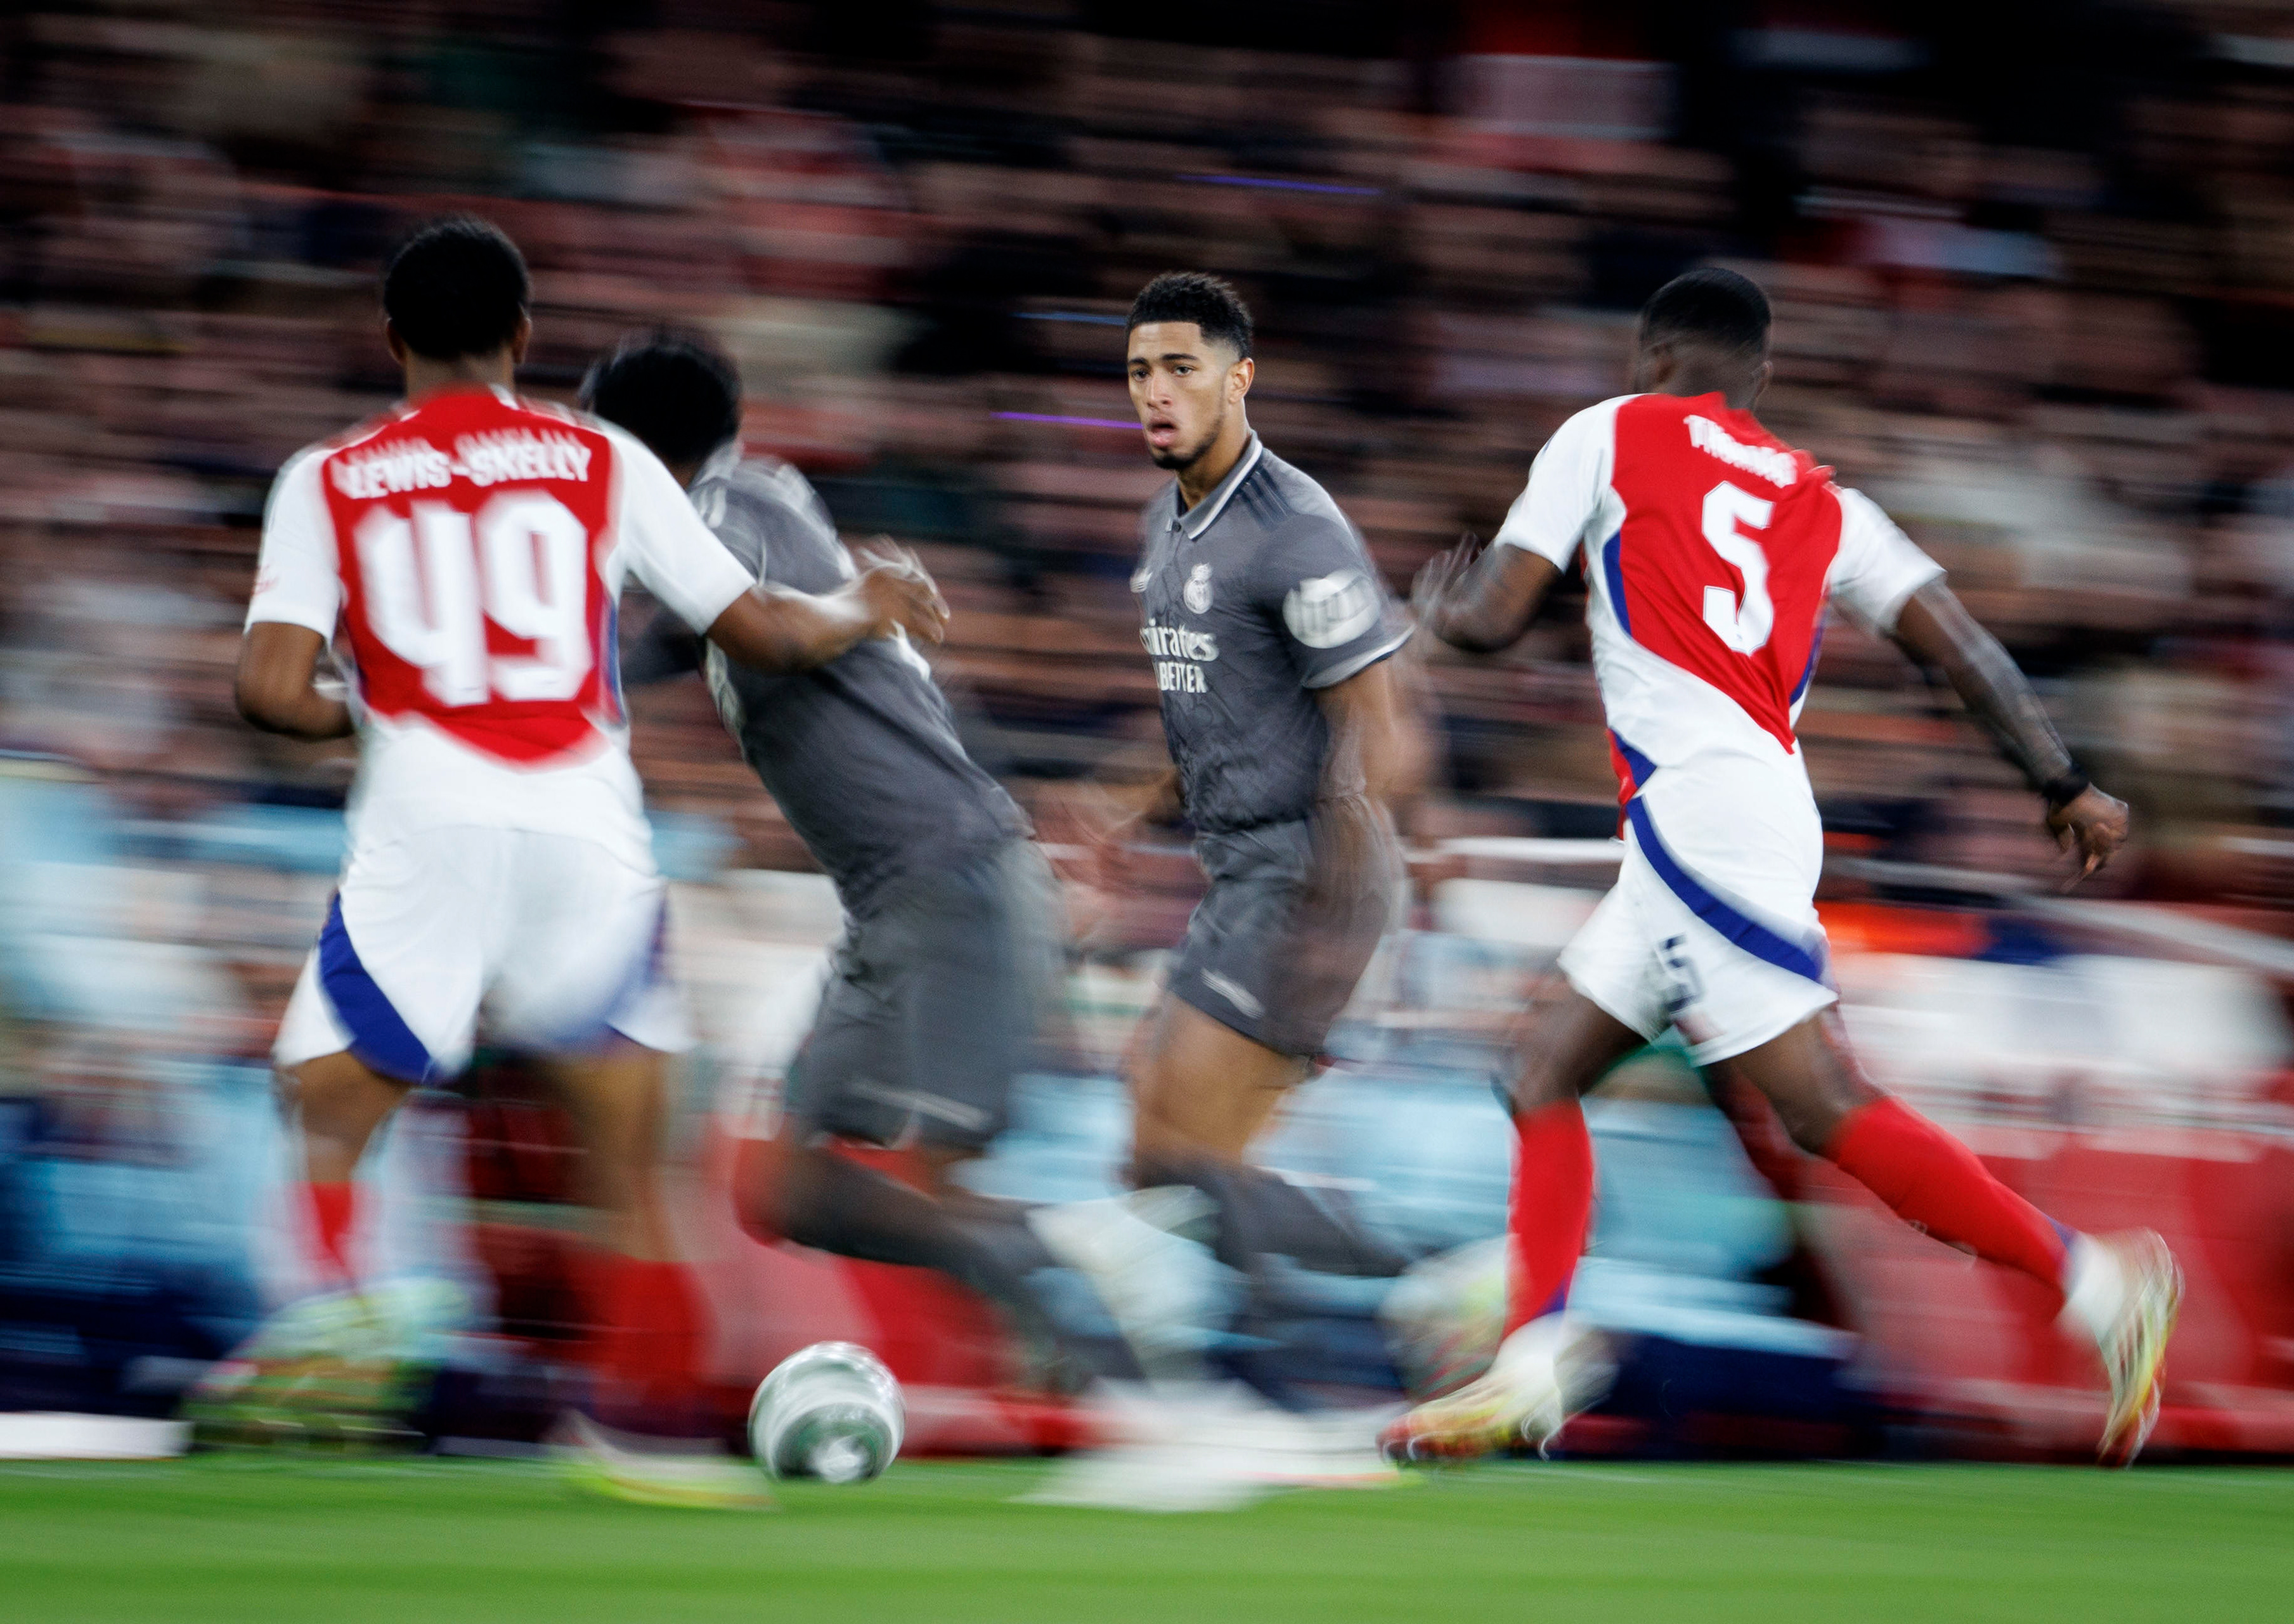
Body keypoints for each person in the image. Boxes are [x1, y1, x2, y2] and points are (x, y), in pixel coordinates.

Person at [1387, 266, 2180, 1467]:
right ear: (1757, 377)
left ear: (1652, 357)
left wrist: (1443, 605)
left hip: (1702, 815)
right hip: (1732, 810)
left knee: (1823, 1106)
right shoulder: (1829, 502)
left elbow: (1498, 617)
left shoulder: (1605, 431)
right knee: (1540, 1069)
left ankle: (2097, 1282)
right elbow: (1962, 654)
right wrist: (2064, 782)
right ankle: (1531, 1361)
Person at [234, 217, 945, 1500]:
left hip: (427, 821)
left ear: (391, 342)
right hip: (584, 826)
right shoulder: (602, 455)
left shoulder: (323, 477)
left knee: (327, 1116)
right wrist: (866, 602)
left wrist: (380, 706)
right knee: (630, 1158)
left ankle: (328, 1344)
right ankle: (635, 1430)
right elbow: (764, 631)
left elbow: (272, 694)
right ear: (522, 338)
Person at [579, 330, 1117, 1395]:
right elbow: (609, 664)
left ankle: (1106, 1347)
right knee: (787, 1191)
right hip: (900, 901)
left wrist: (859, 605)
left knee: (938, 1180)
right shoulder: (723, 539)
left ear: (634, 451)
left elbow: (773, 627)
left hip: (950, 879)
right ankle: (1072, 1293)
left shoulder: (733, 513)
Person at [1052, 271, 1423, 1390]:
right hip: (1245, 875)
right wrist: (1127, 798)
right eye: (1139, 373)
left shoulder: (1294, 530)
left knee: (1185, 1163)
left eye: (1181, 368)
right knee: (1150, 1154)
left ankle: (1291, 1378)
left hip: (1310, 877)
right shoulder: (1165, 525)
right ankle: (1421, 1297)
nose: (1156, 394)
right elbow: (1229, 714)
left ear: (1238, 377)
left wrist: (1327, 911)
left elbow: (1389, 738)